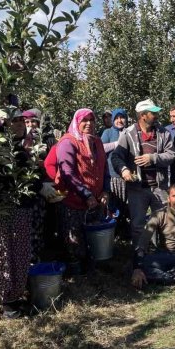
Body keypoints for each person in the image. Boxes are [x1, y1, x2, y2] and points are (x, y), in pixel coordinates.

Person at [0, 107, 46, 317]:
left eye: (22, 120)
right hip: (3, 210)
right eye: (15, 121)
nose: (20, 124)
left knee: (20, 254)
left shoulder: (24, 148)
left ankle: (16, 298)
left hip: (23, 208)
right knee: (5, 254)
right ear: (5, 125)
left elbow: (35, 174)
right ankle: (8, 303)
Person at [54, 108, 110, 275]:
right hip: (74, 201)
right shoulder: (68, 142)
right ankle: (77, 277)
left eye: (91, 120)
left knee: (93, 240)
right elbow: (67, 173)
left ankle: (93, 270)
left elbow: (104, 169)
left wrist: (106, 191)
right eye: (84, 120)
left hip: (96, 201)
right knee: (74, 241)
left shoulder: (97, 142)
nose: (88, 124)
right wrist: (85, 194)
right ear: (76, 123)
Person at [112, 99, 175, 244]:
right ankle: (141, 257)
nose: (156, 115)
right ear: (143, 116)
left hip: (160, 187)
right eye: (153, 113)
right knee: (138, 225)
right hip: (137, 189)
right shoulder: (128, 134)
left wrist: (152, 158)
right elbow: (116, 157)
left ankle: (166, 256)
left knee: (165, 223)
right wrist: (124, 170)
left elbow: (171, 155)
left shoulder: (163, 133)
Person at [101, 108, 130, 236]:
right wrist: (117, 143)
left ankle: (124, 228)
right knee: (112, 204)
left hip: (126, 175)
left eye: (122, 117)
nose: (119, 120)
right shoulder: (107, 132)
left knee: (125, 204)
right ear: (113, 120)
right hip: (112, 175)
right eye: (116, 118)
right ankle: (113, 231)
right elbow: (101, 148)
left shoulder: (130, 132)